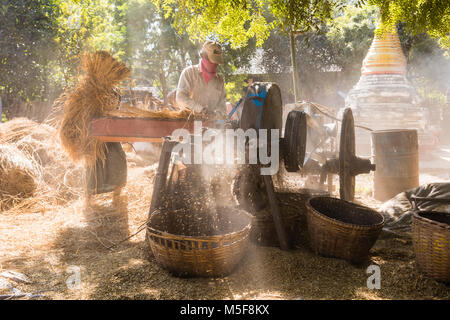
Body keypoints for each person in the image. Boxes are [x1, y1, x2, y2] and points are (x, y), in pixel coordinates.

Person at [176, 40, 227, 118]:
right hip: (189, 122)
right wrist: (200, 109)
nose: (215, 64)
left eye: (217, 62)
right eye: (212, 61)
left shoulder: (219, 80)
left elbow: (222, 106)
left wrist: (218, 115)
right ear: (202, 56)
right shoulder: (189, 73)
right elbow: (180, 98)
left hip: (212, 125)